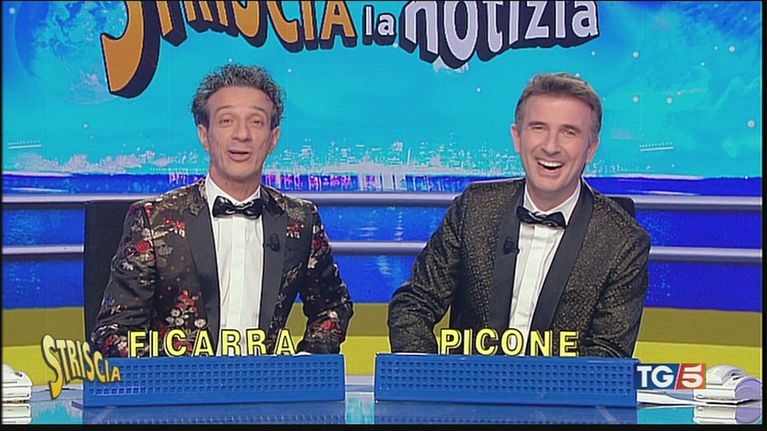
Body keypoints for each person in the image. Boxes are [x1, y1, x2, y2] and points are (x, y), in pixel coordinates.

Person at [91, 64, 353, 356]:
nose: (242, 134)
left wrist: (305, 362)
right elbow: (112, 333)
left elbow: (333, 306)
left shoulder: (300, 221)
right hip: (178, 384)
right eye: (227, 120)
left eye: (256, 121)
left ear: (273, 138)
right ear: (204, 135)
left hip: (268, 383)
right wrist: (167, 374)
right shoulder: (155, 219)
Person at [388, 72, 650, 357]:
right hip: (468, 384)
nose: (551, 146)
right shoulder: (474, 209)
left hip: (559, 387)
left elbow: (608, 354)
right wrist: (432, 377)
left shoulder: (622, 241)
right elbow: (413, 305)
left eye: (569, 132)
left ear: (591, 149)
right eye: (539, 128)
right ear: (517, 137)